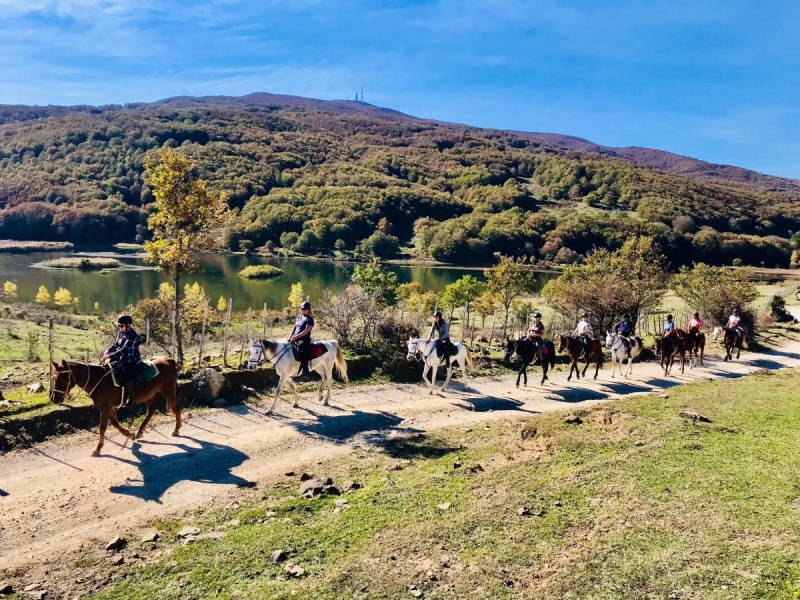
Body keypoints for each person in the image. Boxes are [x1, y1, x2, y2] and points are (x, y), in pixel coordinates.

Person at [101, 314, 142, 407]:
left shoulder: (133, 335)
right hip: (120, 357)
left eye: (121, 326)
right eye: (118, 325)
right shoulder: (121, 332)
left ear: (128, 325)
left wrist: (110, 355)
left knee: (125, 374)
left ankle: (132, 397)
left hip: (130, 359)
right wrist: (107, 350)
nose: (119, 327)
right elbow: (115, 344)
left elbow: (125, 350)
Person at [289, 301, 315, 375]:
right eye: (302, 309)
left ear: (309, 310)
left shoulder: (310, 319)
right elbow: (294, 327)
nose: (304, 310)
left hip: (304, 340)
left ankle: (305, 369)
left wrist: (295, 337)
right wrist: (290, 336)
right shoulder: (299, 317)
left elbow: (306, 331)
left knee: (302, 349)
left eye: (305, 309)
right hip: (295, 338)